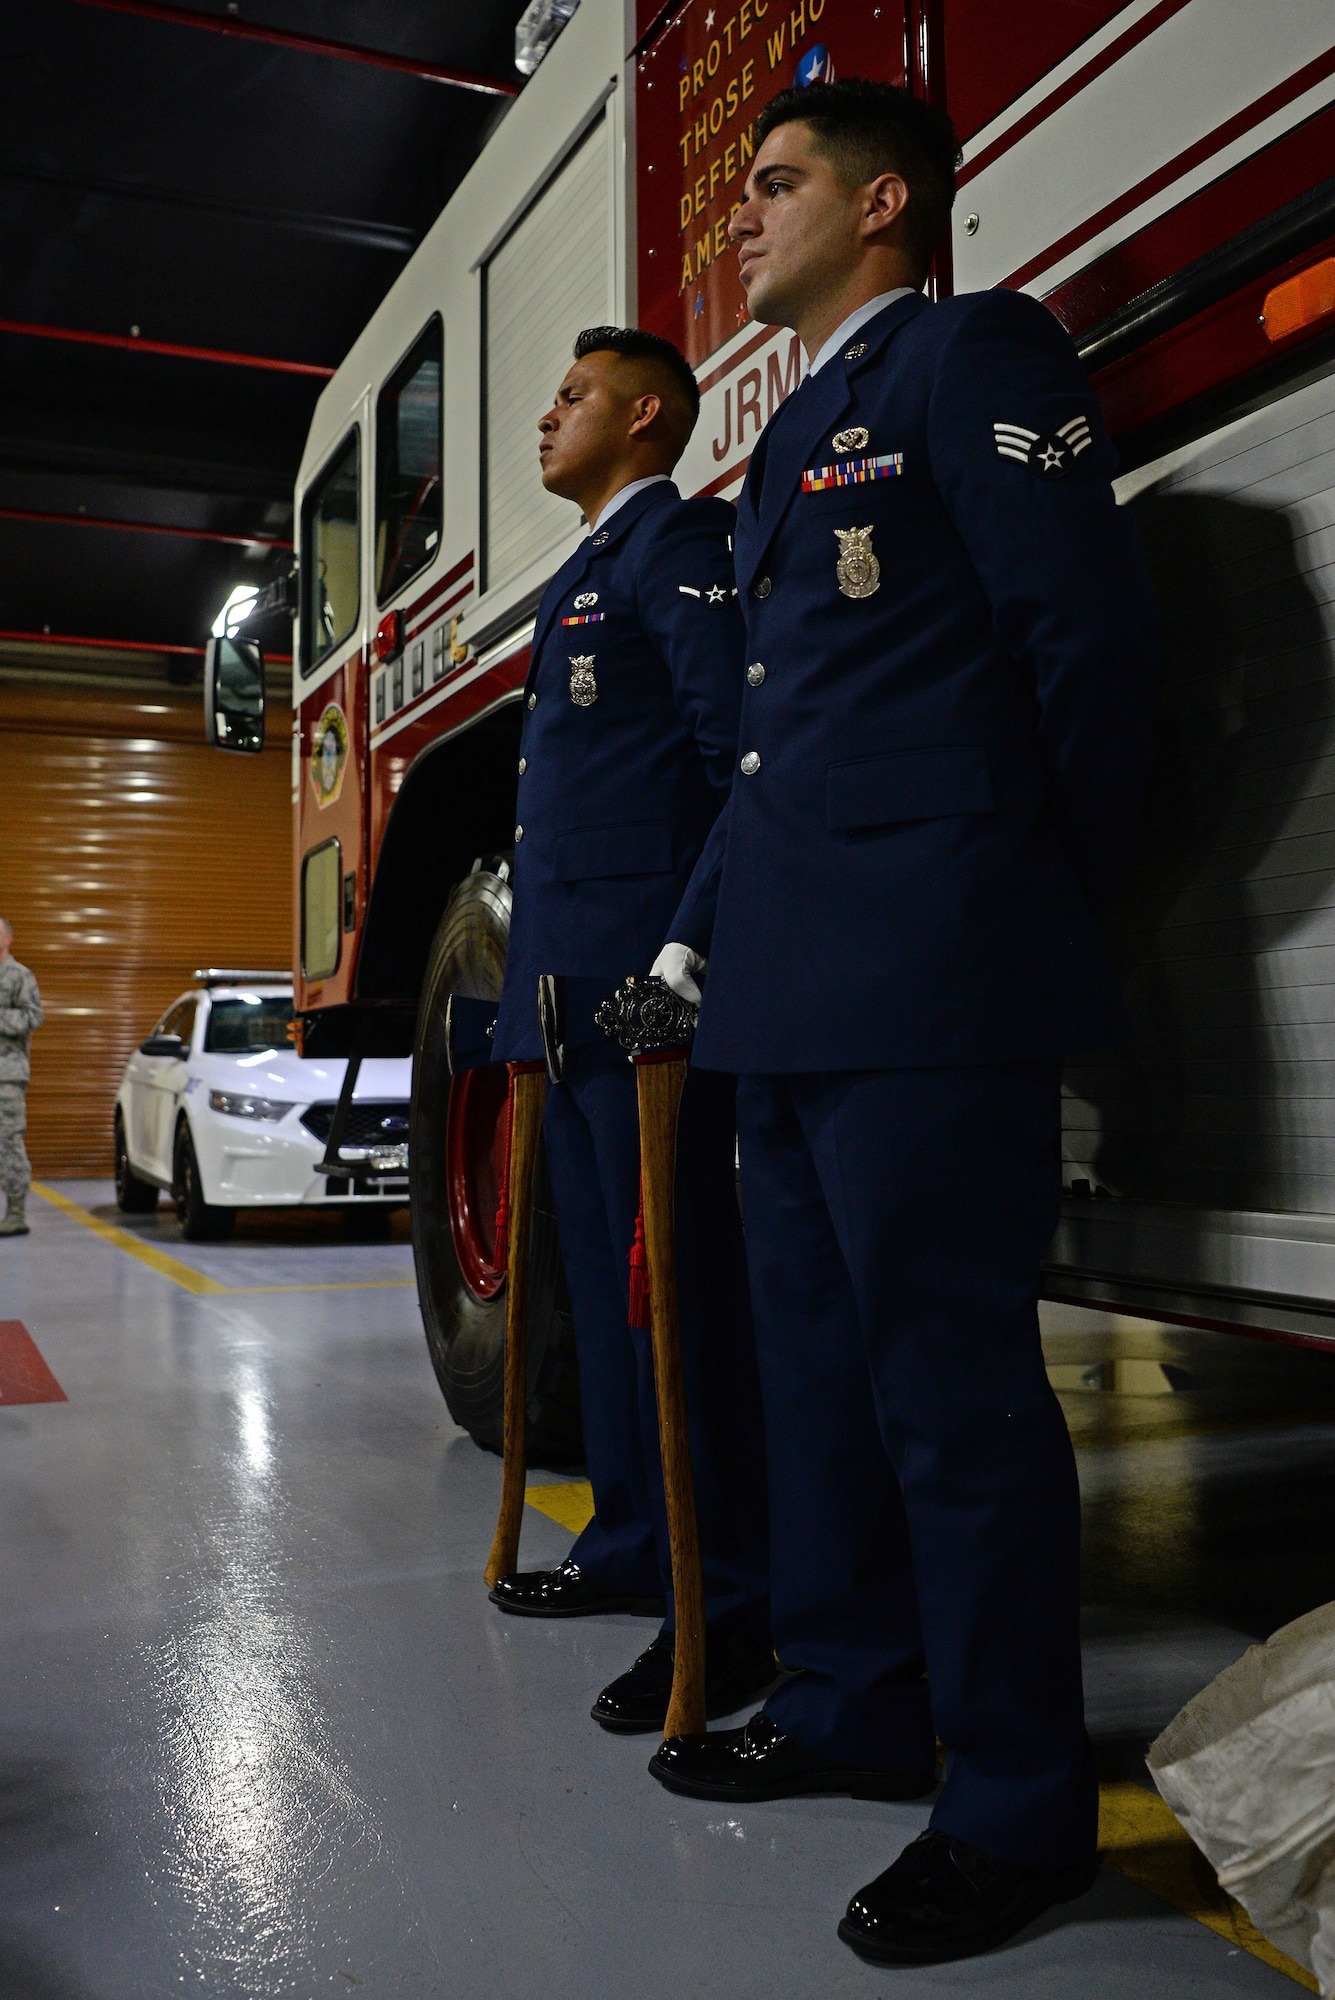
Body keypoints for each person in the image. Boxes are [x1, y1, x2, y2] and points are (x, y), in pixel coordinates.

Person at [648, 80, 1159, 1966]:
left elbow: (1086, 652)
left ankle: (1020, 1804)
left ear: (883, 207)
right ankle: (862, 1707)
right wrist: (700, 952)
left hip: (932, 972)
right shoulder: (790, 441)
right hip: (790, 985)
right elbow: (781, 740)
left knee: (953, 1407)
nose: (745, 218)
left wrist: (1012, 903)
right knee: (819, 1386)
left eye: (776, 186)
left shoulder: (968, 356)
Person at [487, 326, 773, 1733]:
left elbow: (737, 766)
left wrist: (685, 961)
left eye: (572, 396)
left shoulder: (673, 551)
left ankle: (717, 1594)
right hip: (565, 1004)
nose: (548, 418)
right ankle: (627, 1548)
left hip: (642, 1008)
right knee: (606, 1304)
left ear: (646, 415)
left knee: (677, 1309)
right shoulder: (586, 570)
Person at [0, 918, 43, 1239]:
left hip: (6, 1076)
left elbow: (32, 1016)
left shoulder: (19, 976)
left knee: (8, 1142)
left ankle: (16, 1214)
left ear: (9, 938)